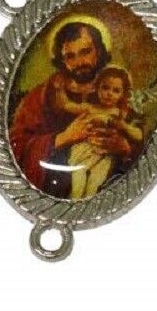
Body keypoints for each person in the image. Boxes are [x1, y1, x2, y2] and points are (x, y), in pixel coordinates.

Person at [9, 21, 139, 198]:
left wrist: (124, 148)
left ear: (99, 51)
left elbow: (140, 140)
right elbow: (16, 146)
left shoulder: (115, 91)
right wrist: (63, 138)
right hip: (55, 185)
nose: (79, 62)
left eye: (85, 52)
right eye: (70, 56)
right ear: (61, 61)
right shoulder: (44, 95)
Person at [52, 66, 143, 199]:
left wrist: (124, 126)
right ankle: (75, 203)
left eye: (116, 90)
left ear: (122, 94)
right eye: (105, 88)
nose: (109, 93)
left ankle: (89, 206)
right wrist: (59, 89)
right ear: (97, 88)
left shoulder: (120, 114)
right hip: (85, 150)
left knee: (95, 183)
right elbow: (66, 105)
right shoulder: (90, 108)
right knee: (78, 177)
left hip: (105, 154)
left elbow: (138, 135)